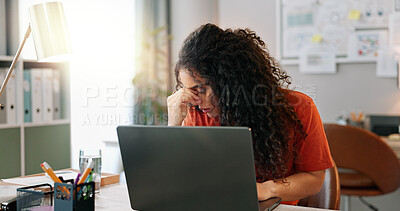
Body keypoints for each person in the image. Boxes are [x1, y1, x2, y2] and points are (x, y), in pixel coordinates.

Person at [167, 23, 333, 205]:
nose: (195, 100)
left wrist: (266, 189)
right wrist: (173, 126)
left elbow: (314, 178)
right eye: (188, 90)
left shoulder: (298, 108)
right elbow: (177, 180)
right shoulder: (195, 112)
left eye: (200, 88)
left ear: (230, 81)